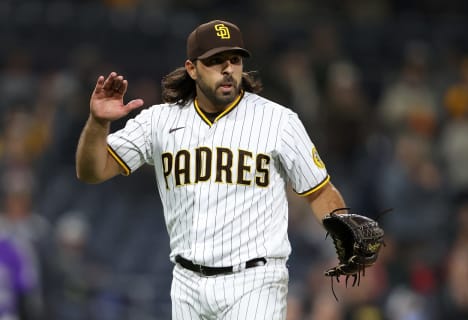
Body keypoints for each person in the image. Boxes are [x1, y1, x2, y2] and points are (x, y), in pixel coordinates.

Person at [75, 19, 346, 320]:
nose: (228, 68)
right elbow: (92, 170)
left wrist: (346, 234)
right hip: (187, 283)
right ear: (192, 68)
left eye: (234, 59)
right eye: (215, 61)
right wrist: (98, 124)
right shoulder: (159, 121)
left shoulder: (278, 121)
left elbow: (319, 190)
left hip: (255, 282)